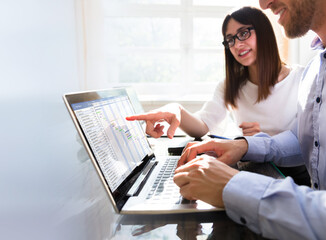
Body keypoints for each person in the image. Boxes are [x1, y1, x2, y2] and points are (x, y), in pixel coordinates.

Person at [168, 0, 326, 238]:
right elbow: (304, 139)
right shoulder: (316, 66)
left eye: (244, 33)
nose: (263, 3)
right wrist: (243, 146)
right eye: (230, 40)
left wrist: (236, 188)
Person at [126, 7, 310, 186]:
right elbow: (202, 126)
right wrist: (176, 110)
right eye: (230, 40)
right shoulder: (230, 85)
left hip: (296, 176)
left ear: (264, 32)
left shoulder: (303, 78)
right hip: (255, 172)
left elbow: (309, 141)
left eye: (244, 33)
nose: (237, 45)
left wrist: (259, 141)